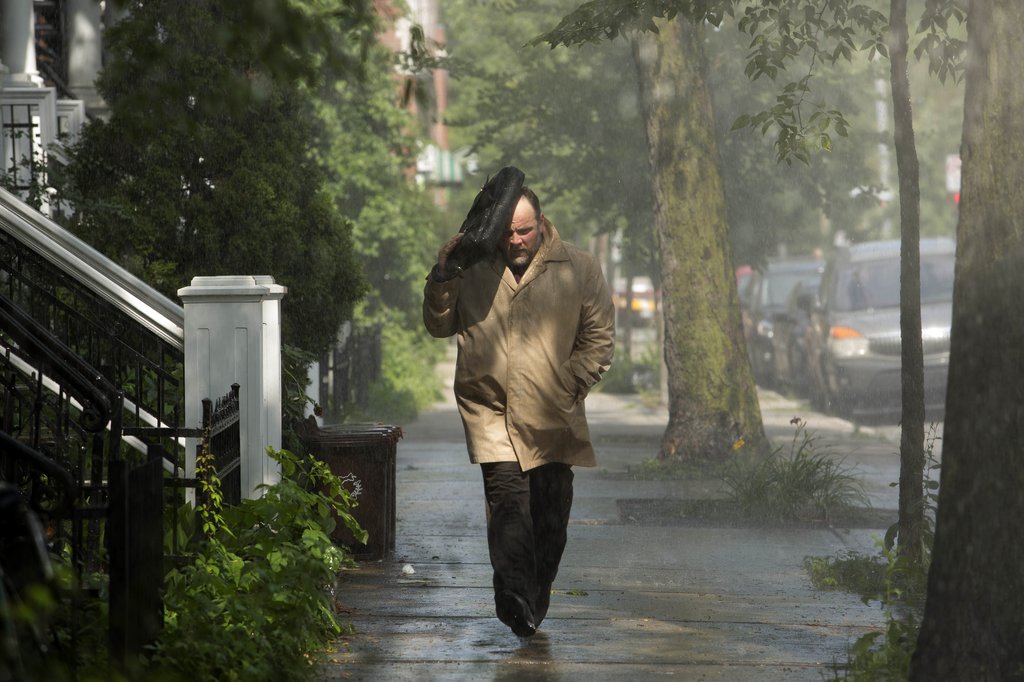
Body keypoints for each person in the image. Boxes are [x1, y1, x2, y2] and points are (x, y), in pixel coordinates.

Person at [423, 184, 615, 637]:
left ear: (541, 223)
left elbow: (599, 339)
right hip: (491, 413)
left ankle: (534, 591)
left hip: (554, 416)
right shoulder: (470, 269)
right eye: (507, 233)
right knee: (508, 506)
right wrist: (442, 275)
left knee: (551, 518)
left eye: (524, 231)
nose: (515, 241)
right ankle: (511, 595)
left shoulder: (579, 267)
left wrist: (567, 385)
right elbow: (437, 325)